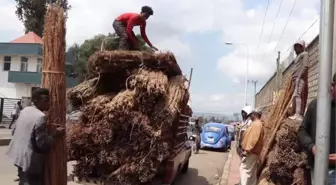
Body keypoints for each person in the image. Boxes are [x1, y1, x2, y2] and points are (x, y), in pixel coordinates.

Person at [6, 88, 64, 185]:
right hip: (30, 161)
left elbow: (14, 131)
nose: (48, 103)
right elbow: (43, 144)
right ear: (36, 101)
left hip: (17, 156)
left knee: (23, 181)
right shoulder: (40, 117)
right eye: (45, 100)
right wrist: (56, 134)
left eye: (49, 100)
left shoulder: (25, 110)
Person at [298, 73, 336, 184]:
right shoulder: (316, 105)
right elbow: (302, 131)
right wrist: (312, 147)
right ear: (332, 85)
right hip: (318, 169)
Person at [240, 110, 264, 185]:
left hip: (251, 152)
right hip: (253, 152)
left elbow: (253, 139)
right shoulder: (257, 124)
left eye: (251, 115)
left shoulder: (257, 124)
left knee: (244, 169)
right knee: (252, 172)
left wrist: (247, 151)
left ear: (254, 115)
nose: (250, 116)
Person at [289, 40, 309, 121]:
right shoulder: (298, 56)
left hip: (299, 78)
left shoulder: (305, 54)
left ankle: (298, 114)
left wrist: (299, 77)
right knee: (295, 96)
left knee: (298, 95)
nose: (296, 48)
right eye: (295, 47)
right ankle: (295, 113)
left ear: (302, 47)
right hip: (295, 78)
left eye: (298, 46)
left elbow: (305, 66)